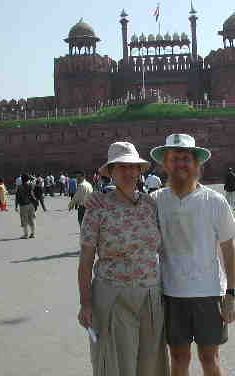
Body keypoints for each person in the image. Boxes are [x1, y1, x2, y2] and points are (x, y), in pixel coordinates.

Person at [150, 134, 235, 376]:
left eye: (186, 158)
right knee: (178, 358)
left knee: (209, 358)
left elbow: (228, 248)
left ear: (196, 164)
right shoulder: (156, 201)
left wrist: (231, 294)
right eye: (175, 158)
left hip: (208, 292)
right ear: (166, 164)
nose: (181, 164)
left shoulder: (214, 200)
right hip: (172, 293)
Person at [78, 141, 169, 376]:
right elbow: (86, 261)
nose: (128, 172)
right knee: (118, 364)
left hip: (150, 294)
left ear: (140, 171)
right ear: (111, 173)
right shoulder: (98, 208)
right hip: (114, 294)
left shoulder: (150, 204)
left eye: (133, 167)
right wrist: (85, 303)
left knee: (150, 363)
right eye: (121, 167)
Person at [15, 173, 37, 239]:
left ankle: (26, 234)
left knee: (24, 220)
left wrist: (16, 206)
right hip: (31, 204)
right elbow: (33, 195)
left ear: (22, 179)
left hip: (23, 205)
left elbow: (17, 197)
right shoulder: (30, 185)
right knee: (31, 219)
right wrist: (35, 203)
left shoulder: (19, 187)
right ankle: (33, 233)